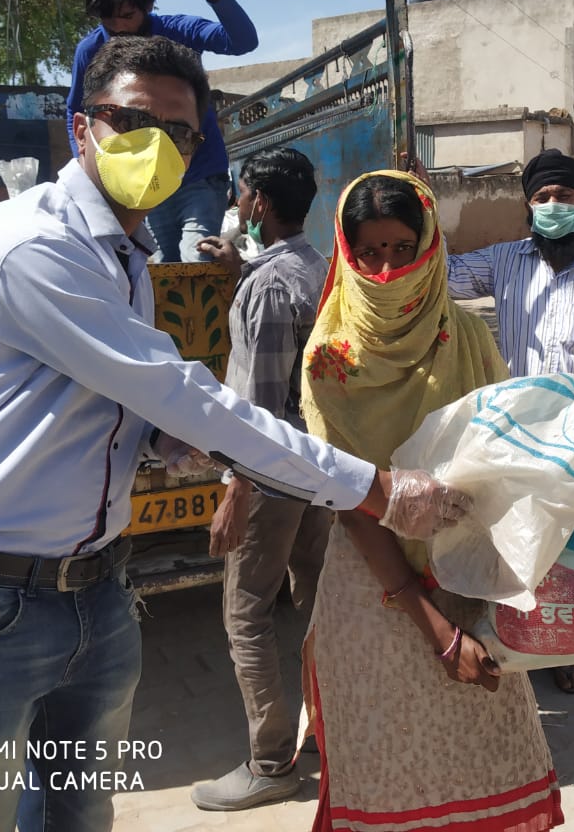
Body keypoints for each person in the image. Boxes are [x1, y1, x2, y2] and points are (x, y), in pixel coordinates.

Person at [0, 37, 466, 832]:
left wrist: (160, 443)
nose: (156, 146)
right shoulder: (30, 246)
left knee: (79, 816)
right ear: (81, 124)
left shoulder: (126, 256)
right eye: (131, 119)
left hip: (94, 587)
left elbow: (124, 400)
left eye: (180, 132)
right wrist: (377, 491)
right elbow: (180, 392)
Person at [301, 170, 564, 832]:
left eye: (400, 249)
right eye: (368, 252)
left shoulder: (468, 339)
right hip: (375, 590)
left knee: (486, 762)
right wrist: (435, 629)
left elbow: (507, 461)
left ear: (427, 249)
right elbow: (348, 500)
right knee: (387, 775)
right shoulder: (330, 359)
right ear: (346, 251)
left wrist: (476, 611)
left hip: (470, 582)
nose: (386, 270)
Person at [445, 147, 574, 696]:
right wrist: (426, 206)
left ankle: (570, 650)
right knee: (520, 537)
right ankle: (521, 638)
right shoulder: (504, 262)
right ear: (528, 205)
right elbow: (440, 277)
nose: (553, 205)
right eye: (542, 197)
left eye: (563, 196)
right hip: (522, 431)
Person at [188, 147, 331, 811]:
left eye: (245, 195)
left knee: (247, 617)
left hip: (271, 478)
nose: (241, 204)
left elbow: (262, 408)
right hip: (317, 474)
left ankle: (272, 763)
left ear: (260, 205)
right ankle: (338, 734)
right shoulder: (314, 267)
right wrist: (239, 265)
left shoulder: (271, 289)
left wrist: (235, 493)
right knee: (317, 609)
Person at [66, 0, 257, 263]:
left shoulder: (179, 31)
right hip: (143, 182)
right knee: (157, 270)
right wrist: (89, 168)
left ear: (148, 5)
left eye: (127, 15)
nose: (118, 27)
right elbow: (76, 112)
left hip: (197, 175)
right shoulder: (90, 49)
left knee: (197, 262)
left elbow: (243, 41)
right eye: (108, 18)